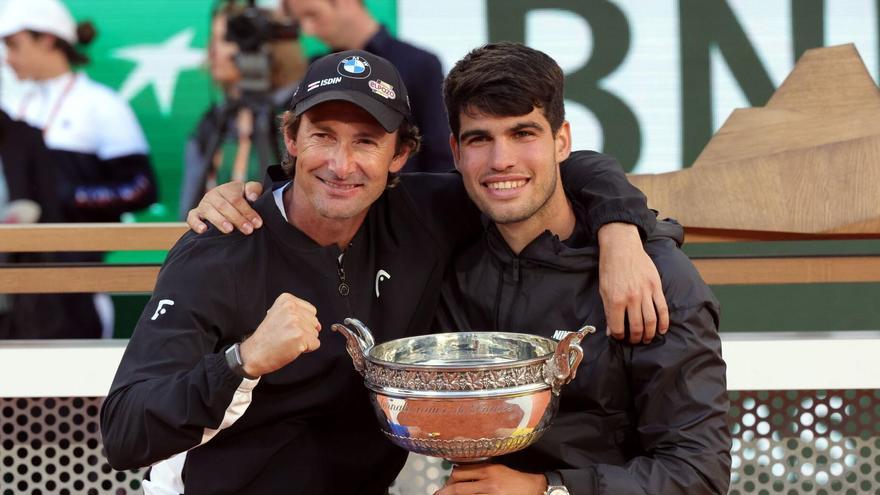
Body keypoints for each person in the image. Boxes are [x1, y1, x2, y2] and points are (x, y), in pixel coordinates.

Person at [102, 49, 664, 494]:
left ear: (400, 155)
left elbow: (551, 171)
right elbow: (125, 433)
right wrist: (242, 362)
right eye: (322, 135)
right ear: (291, 139)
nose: (341, 164)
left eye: (366, 142)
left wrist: (619, 230)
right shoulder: (222, 247)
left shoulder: (423, 213)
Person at [432, 43, 730, 495]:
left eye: (523, 133)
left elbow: (698, 474)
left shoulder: (654, 275)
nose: (501, 160)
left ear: (562, 142)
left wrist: (544, 490)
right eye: (480, 139)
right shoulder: (442, 249)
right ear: (455, 151)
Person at [0, 0, 158, 338]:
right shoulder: (10, 108)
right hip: (11, 286)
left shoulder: (101, 104)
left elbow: (142, 187)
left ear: (47, 39)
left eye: (13, 44)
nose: (6, 57)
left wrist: (66, 197)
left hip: (76, 285)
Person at [287, 0, 453, 173]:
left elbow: (439, 153)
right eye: (323, 135)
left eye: (313, 15)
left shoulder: (419, 63)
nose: (307, 30)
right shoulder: (315, 68)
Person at [179, 2, 307, 218]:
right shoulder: (212, 122)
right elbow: (188, 211)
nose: (212, 51)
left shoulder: (296, 116)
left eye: (227, 38)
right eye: (213, 39)